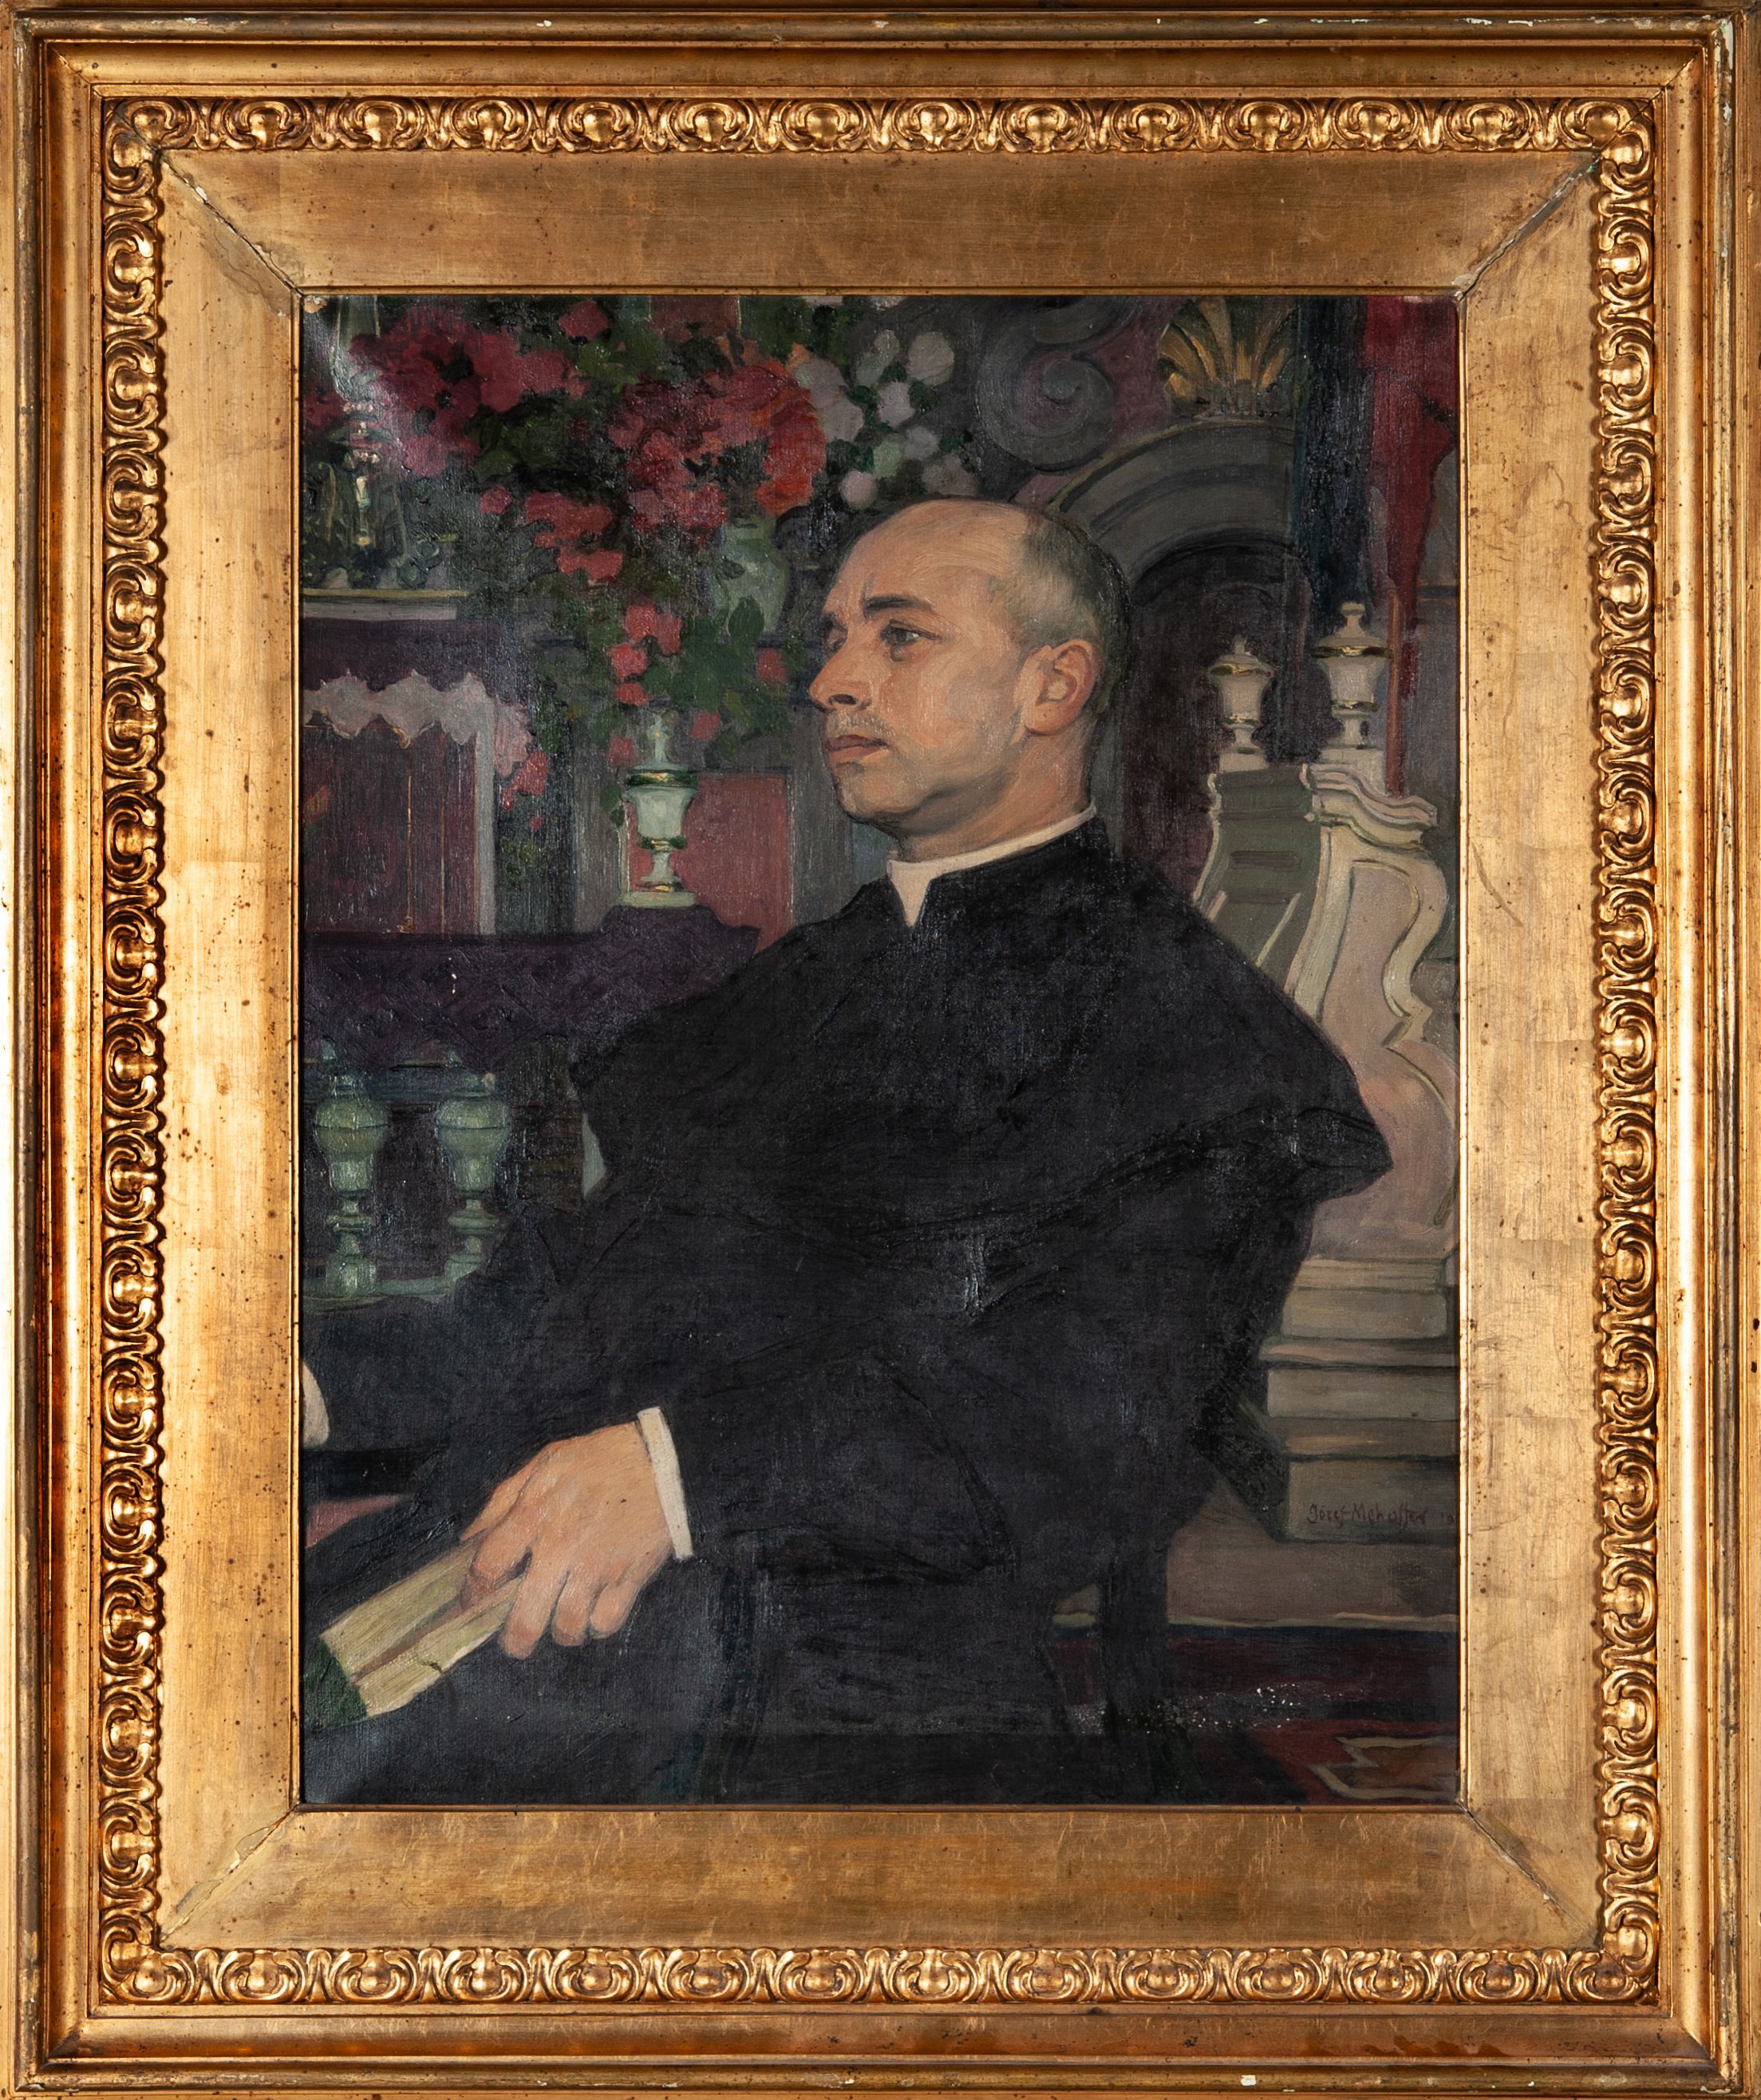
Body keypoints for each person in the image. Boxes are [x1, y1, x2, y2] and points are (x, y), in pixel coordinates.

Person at [301, 498, 1389, 1807]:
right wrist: (305, 1384)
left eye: (901, 637)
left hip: (826, 1691)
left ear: (1053, 688)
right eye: (833, 638)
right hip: (525, 1603)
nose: (832, 682)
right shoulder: (810, 987)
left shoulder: (1199, 1041)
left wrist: (680, 1474)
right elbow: (575, 1298)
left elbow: (1078, 1431)